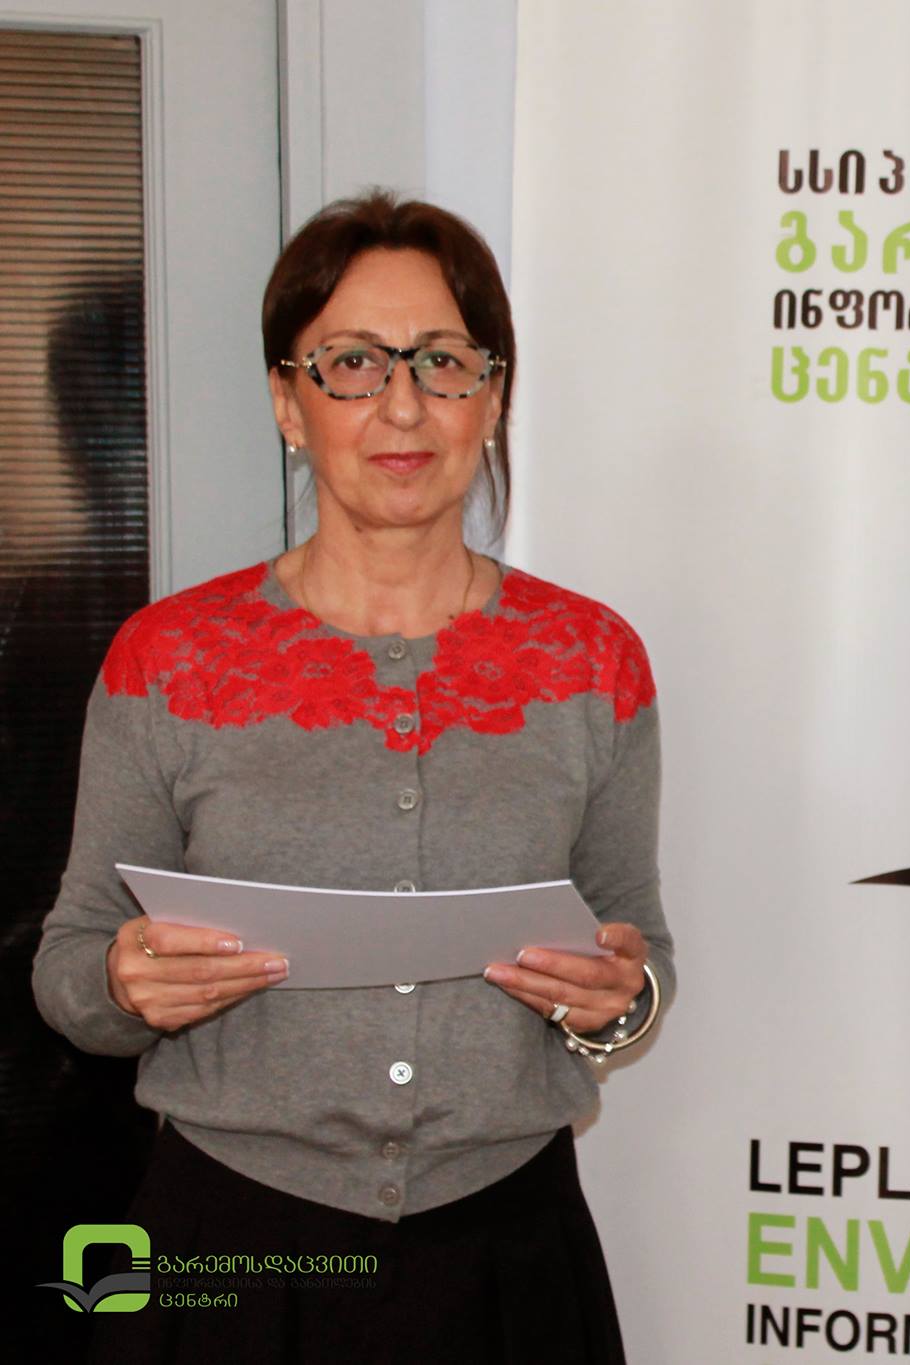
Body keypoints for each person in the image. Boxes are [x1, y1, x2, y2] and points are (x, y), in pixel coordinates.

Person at [33, 191, 670, 1364]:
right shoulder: (168, 659)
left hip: (506, 1248)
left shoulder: (592, 660)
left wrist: (617, 1001)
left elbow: (637, 951)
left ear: (493, 396)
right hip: (231, 1248)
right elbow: (70, 962)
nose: (403, 405)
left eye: (444, 362)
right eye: (353, 363)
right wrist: (122, 985)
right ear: (288, 401)